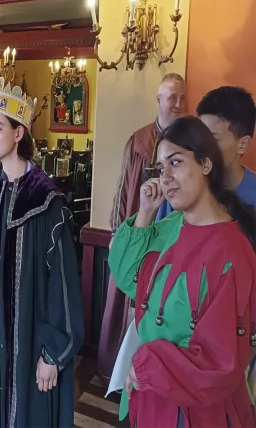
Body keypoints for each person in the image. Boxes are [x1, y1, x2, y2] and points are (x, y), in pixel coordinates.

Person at [109, 116, 256, 427]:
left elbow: (222, 362)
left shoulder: (232, 252)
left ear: (205, 163)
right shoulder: (172, 226)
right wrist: (145, 212)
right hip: (153, 397)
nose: (166, 177)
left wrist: (149, 367)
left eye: (175, 162)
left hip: (198, 410)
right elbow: (126, 277)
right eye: (161, 169)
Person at [0, 77, 84, 427]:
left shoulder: (47, 204)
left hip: (35, 339)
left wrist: (52, 353)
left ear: (19, 134)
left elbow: (63, 286)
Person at [99, 73, 187, 380]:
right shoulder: (139, 141)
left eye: (181, 98)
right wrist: (116, 234)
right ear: (159, 100)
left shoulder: (190, 143)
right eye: (171, 97)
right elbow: (123, 190)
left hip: (175, 240)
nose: (177, 104)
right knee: (129, 304)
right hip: (141, 235)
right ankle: (122, 374)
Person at [156, 86, 256, 220]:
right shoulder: (180, 185)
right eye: (200, 136)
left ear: (242, 145)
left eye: (213, 139)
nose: (200, 146)